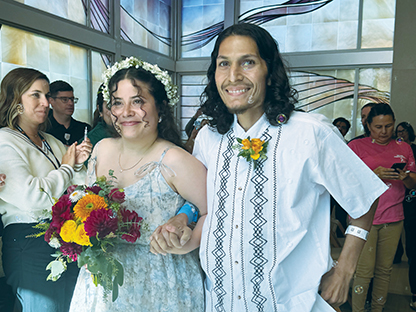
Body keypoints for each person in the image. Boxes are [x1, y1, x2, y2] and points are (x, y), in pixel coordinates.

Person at [150, 23, 387, 312]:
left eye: (247, 62)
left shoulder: (310, 133)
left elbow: (365, 196)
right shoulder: (208, 138)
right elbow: (203, 203)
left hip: (292, 302)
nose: (234, 76)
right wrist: (182, 219)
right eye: (224, 64)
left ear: (269, 69)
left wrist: (345, 271)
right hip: (220, 302)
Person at [69, 57, 207, 312]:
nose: (126, 112)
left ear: (161, 108)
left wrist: (189, 241)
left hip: (161, 284)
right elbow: (89, 207)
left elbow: (215, 212)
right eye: (118, 103)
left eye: (138, 101)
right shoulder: (101, 149)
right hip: (103, 280)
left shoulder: (175, 159)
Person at [0, 68, 92, 311]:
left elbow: (78, 187)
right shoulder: (4, 140)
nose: (45, 103)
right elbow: (33, 196)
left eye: (47, 95)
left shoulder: (50, 141)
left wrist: (79, 163)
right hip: (28, 240)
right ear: (14, 99)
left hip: (66, 238)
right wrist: (66, 168)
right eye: (35, 95)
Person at [348, 104, 416, 312]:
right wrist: (373, 175)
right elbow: (346, 182)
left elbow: (413, 183)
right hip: (363, 217)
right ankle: (358, 309)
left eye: (389, 126)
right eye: (378, 127)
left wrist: (405, 178)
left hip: (394, 217)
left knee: (384, 270)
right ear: (368, 125)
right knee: (364, 271)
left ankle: (378, 309)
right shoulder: (356, 147)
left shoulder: (403, 147)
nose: (384, 131)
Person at [396, 121, 416, 310]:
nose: (401, 134)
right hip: (401, 197)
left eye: (404, 131)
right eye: (398, 132)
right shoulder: (396, 150)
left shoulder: (414, 150)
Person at [47, 80, 91, 146]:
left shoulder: (84, 129)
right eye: (64, 99)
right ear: (51, 101)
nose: (70, 103)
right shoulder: (45, 129)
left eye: (72, 99)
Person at [80, 84, 115, 148]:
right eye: (109, 106)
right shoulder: (89, 142)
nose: (116, 112)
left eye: (119, 104)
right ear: (100, 110)